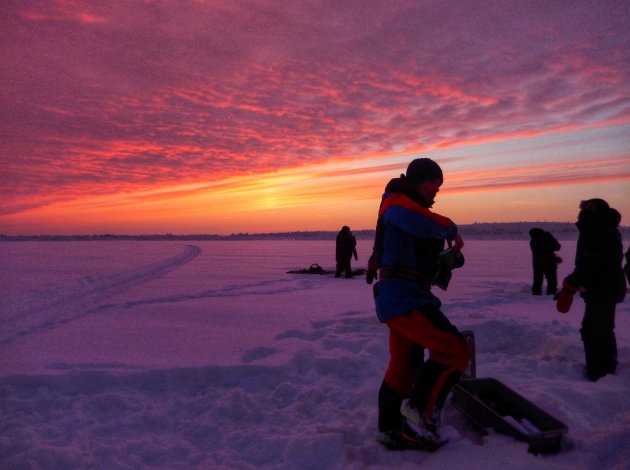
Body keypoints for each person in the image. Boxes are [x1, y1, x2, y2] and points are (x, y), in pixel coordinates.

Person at [369, 158, 469, 451]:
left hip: (405, 295)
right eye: (435, 183)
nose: (437, 190)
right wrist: (450, 228)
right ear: (420, 179)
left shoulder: (411, 209)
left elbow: (411, 246)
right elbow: (416, 221)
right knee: (454, 349)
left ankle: (390, 430)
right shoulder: (397, 202)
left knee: (406, 364)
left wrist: (444, 263)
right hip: (404, 297)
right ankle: (421, 414)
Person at [556, 199, 626, 381]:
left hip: (603, 289)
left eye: (584, 208)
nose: (580, 211)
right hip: (607, 287)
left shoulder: (595, 231)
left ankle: (599, 372)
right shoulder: (605, 229)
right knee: (601, 328)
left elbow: (588, 265)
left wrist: (569, 287)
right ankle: (606, 367)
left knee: (595, 330)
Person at [529, 227, 561, 295]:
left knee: (537, 279)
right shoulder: (547, 238)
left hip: (537, 263)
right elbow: (557, 247)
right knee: (552, 280)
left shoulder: (532, 241)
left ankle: (536, 293)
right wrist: (551, 238)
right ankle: (551, 294)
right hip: (549, 262)